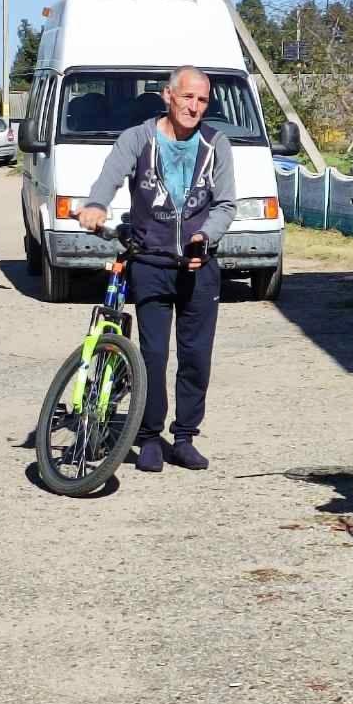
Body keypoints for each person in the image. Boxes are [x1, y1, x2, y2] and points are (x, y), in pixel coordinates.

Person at [77, 66, 235, 472]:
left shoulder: (216, 144)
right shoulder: (138, 138)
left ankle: (184, 437)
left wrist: (207, 236)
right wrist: (95, 205)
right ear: (168, 95)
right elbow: (110, 177)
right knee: (151, 354)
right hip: (150, 261)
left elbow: (226, 204)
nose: (194, 107)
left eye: (202, 100)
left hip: (199, 264)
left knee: (196, 356)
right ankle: (148, 436)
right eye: (187, 97)